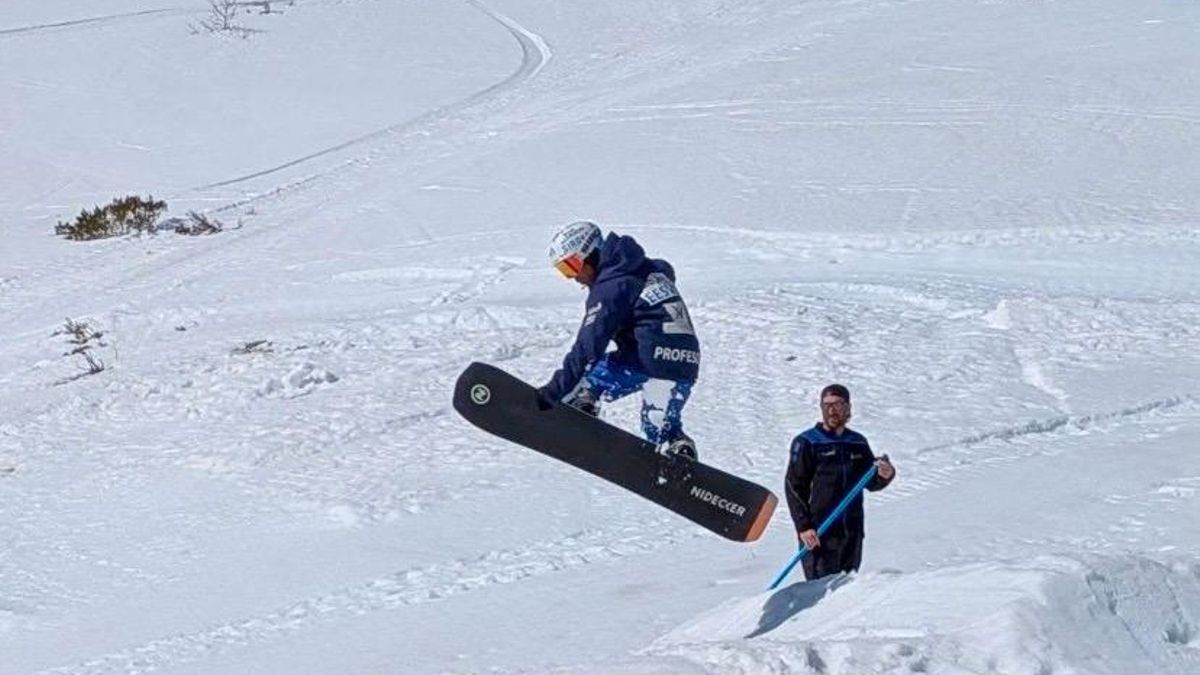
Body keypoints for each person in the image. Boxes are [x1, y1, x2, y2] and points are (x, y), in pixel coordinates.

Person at [537, 221, 701, 459]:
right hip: (686, 362)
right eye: (564, 271)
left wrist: (552, 392)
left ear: (590, 253)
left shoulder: (612, 286)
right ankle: (677, 446)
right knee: (658, 423)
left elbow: (588, 347)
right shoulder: (646, 271)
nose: (573, 277)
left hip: (645, 360)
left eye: (571, 266)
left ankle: (584, 402)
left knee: (588, 377)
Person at [785, 384, 896, 580]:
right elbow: (794, 486)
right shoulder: (808, 442)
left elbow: (870, 482)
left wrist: (885, 474)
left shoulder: (857, 442)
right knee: (820, 590)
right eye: (826, 405)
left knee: (847, 590)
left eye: (837, 404)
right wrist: (804, 526)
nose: (831, 410)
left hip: (851, 530)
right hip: (819, 532)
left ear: (848, 407)